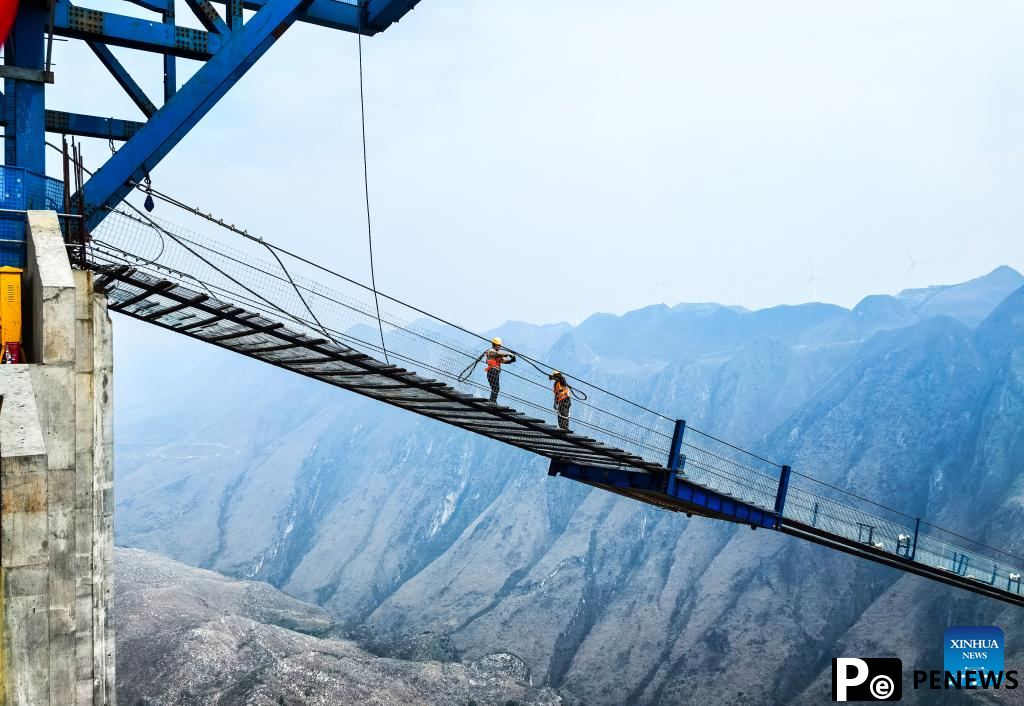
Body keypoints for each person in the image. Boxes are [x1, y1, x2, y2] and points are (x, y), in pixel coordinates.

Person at [484, 337, 515, 402]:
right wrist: (508, 354)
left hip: (495, 372)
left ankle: (492, 401)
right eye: (499, 345)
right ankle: (492, 401)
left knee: (495, 388)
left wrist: (511, 360)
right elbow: (499, 354)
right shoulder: (491, 351)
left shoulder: (498, 354)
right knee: (495, 387)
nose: (500, 346)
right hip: (492, 371)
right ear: (495, 344)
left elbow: (504, 361)